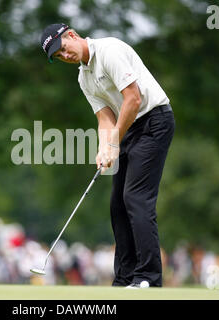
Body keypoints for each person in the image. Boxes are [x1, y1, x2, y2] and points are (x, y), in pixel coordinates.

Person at [40, 23, 175, 288]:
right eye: (58, 57)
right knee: (117, 204)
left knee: (136, 198)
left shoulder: (109, 50)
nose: (65, 56)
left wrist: (114, 141)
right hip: (129, 128)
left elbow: (133, 99)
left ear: (72, 36)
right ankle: (124, 278)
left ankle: (148, 278)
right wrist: (104, 148)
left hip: (154, 121)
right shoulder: (84, 78)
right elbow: (105, 119)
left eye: (64, 49)